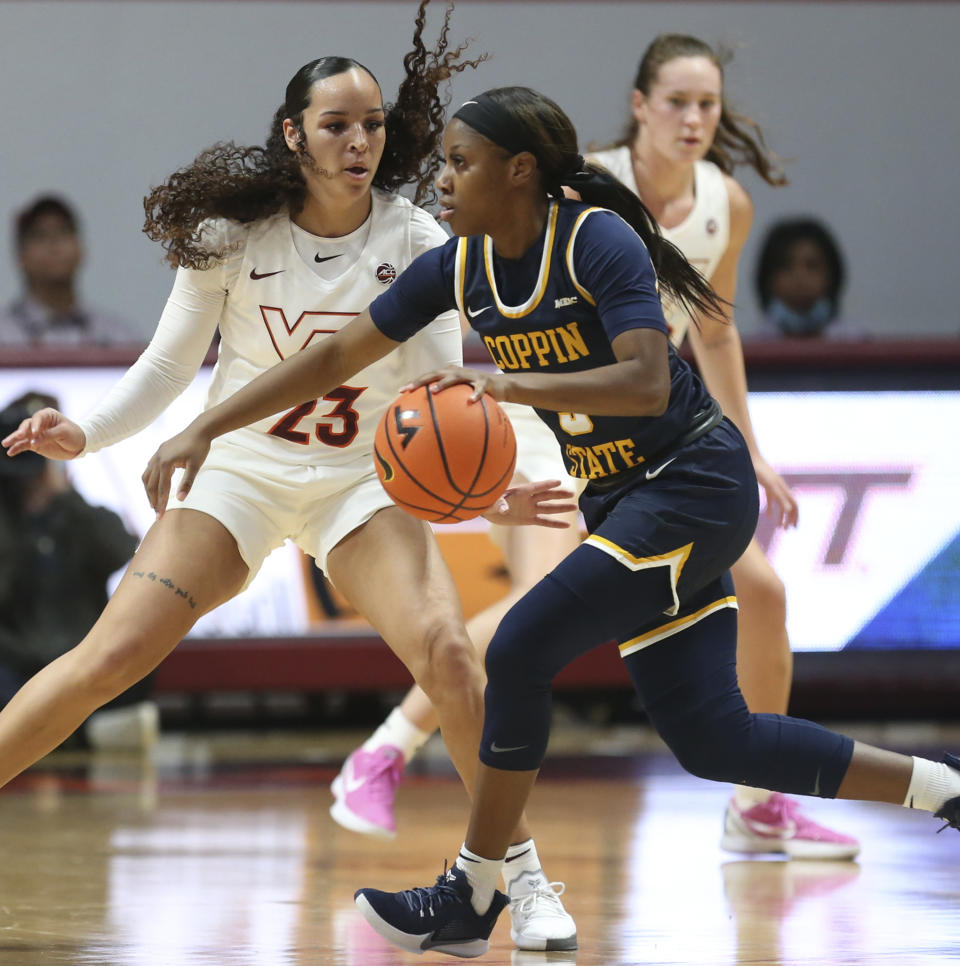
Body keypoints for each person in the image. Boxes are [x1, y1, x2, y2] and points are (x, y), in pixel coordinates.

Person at [131, 84, 960, 959]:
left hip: (692, 483)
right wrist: (203, 424)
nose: (440, 181)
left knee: (521, 645)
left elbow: (646, 380)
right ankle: (943, 789)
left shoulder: (595, 240)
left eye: (459, 162)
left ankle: (475, 892)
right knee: (717, 740)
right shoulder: (459, 265)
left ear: (518, 170)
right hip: (622, 499)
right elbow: (335, 355)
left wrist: (508, 383)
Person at [0, 8, 579, 953]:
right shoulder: (232, 238)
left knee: (450, 652)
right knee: (107, 658)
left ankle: (521, 878)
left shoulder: (421, 237)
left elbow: (443, 392)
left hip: (363, 482)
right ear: (293, 133)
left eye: (373, 125)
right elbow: (163, 371)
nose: (359, 142)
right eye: (336, 125)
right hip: (243, 472)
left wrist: (491, 490)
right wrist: (87, 430)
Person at [586, 34, 858, 858]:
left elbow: (714, 329)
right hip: (567, 440)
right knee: (513, 630)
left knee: (764, 596)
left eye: (708, 104)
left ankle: (760, 804)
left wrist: (748, 449)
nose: (695, 118)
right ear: (640, 105)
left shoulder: (725, 204)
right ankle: (414, 765)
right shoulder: (591, 188)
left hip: (663, 449)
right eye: (678, 102)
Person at [329, 333, 584, 843]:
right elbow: (446, 304)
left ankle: (756, 799)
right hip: (547, 426)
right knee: (542, 595)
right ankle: (386, 749)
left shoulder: (705, 255)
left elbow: (715, 334)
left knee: (754, 591)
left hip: (632, 440)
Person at [0, 392, 155, 749]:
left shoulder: (81, 514)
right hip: (18, 662)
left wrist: (64, 494)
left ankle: (59, 732)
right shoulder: (6, 523)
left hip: (79, 657)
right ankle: (80, 734)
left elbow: (120, 550)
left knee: (145, 644)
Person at [0, 195, 144, 347]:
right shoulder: (4, 336)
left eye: (64, 232)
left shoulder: (118, 338)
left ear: (80, 249)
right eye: (40, 236)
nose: (54, 244)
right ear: (20, 256)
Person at [754, 216, 854, 339]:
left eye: (812, 266)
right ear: (768, 279)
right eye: (786, 266)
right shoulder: (749, 351)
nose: (799, 278)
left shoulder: (857, 346)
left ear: (831, 276)